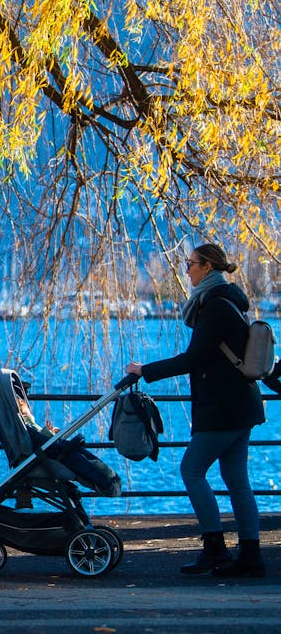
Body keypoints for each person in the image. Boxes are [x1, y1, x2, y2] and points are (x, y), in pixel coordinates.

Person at [125, 243, 266, 577]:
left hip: (222, 408)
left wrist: (144, 370)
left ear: (206, 267)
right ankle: (250, 556)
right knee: (237, 480)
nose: (185, 270)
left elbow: (193, 358)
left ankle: (215, 549)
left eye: (189, 264)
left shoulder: (215, 306)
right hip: (239, 405)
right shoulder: (226, 302)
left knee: (191, 470)